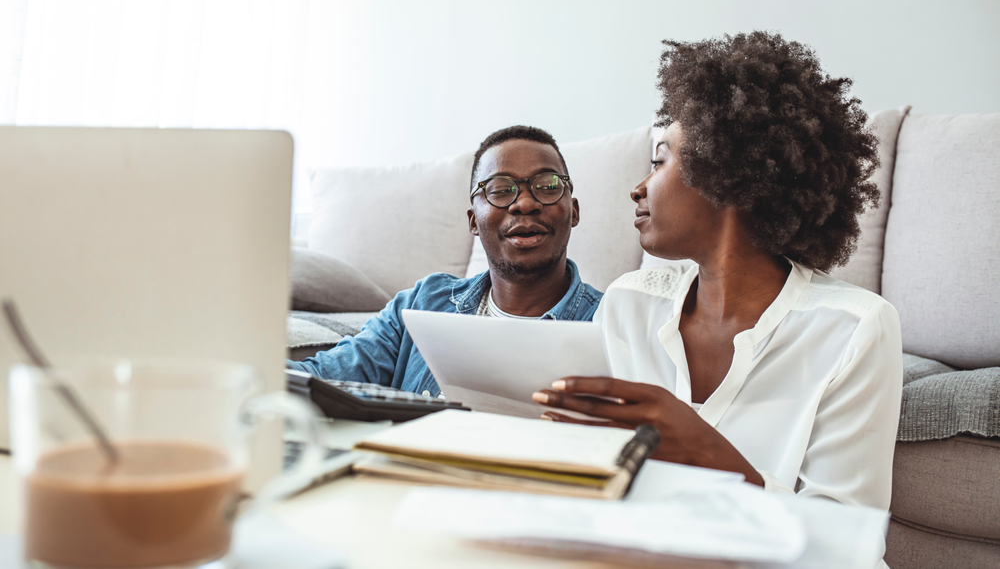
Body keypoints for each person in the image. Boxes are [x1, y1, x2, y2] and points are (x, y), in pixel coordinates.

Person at [534, 31, 903, 511]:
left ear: (726, 173)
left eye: (660, 161)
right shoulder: (629, 304)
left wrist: (709, 454)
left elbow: (846, 542)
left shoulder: (854, 328)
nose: (638, 188)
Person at [289, 126, 602, 396]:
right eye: (500, 190)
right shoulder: (420, 304)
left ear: (573, 211)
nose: (524, 203)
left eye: (547, 186)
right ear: (473, 222)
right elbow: (323, 376)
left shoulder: (611, 319)